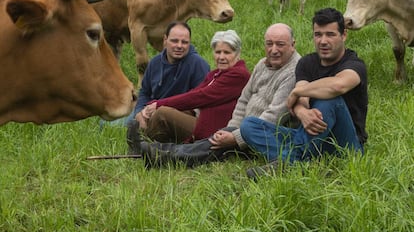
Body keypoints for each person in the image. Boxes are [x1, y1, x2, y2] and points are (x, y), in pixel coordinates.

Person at [140, 23, 301, 167]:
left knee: (213, 145)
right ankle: (160, 151)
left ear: (292, 45)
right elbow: (243, 101)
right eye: (269, 44)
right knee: (212, 142)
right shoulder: (260, 64)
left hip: (261, 135)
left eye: (280, 44)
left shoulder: (292, 72)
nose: (274, 50)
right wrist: (232, 127)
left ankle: (164, 156)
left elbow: (274, 115)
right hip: (241, 127)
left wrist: (236, 137)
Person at [241, 7, 368, 180]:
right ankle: (303, 163)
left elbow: (337, 86)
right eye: (318, 34)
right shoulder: (307, 63)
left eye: (330, 34)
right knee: (249, 126)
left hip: (344, 143)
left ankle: (287, 162)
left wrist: (298, 91)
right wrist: (302, 112)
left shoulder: (354, 64)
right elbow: (302, 100)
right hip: (309, 133)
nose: (323, 41)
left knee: (329, 100)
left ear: (343, 35)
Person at [140, 29, 250, 144]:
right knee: (160, 111)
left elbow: (200, 97)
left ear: (238, 53)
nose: (221, 57)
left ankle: (146, 147)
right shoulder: (216, 73)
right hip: (199, 119)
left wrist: (159, 104)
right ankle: (158, 146)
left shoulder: (238, 75)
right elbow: (193, 94)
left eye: (227, 53)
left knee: (162, 113)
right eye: (218, 52)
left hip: (212, 131)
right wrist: (155, 106)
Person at [126, 21, 210, 155]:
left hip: (178, 114)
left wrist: (158, 108)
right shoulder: (154, 63)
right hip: (152, 110)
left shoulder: (198, 65)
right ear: (165, 40)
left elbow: (200, 100)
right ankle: (141, 132)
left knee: (161, 115)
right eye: (174, 41)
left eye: (184, 42)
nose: (179, 46)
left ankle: (141, 144)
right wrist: (139, 112)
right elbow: (145, 92)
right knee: (117, 121)